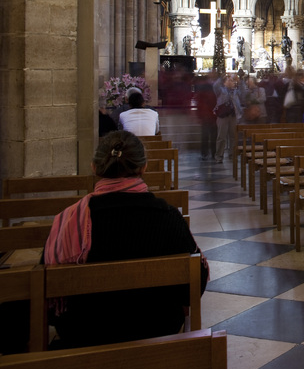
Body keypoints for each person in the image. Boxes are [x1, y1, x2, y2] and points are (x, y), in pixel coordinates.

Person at [43, 131, 209, 348]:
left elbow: (49, 293)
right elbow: (196, 283)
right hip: (157, 326)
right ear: (144, 167)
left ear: (95, 167)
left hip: (85, 331)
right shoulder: (168, 216)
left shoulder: (70, 219)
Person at [213, 74, 242, 163]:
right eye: (228, 81)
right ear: (224, 83)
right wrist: (223, 77)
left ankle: (232, 154)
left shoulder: (236, 92)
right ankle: (219, 156)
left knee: (233, 136)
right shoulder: (221, 91)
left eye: (232, 81)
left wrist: (239, 81)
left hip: (233, 116)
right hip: (223, 116)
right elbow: (216, 85)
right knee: (221, 137)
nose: (230, 82)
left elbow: (243, 92)